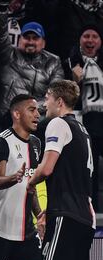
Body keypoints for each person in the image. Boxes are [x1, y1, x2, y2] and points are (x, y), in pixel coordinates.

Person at [27, 80, 96, 260]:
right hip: (85, 217)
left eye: (47, 98)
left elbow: (47, 168)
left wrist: (29, 183)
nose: (44, 104)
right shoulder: (83, 130)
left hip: (66, 213)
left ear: (59, 101)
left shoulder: (58, 123)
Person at [0, 94, 43, 260]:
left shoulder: (36, 144)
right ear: (17, 114)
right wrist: (14, 177)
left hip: (25, 230)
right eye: (32, 110)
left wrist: (40, 214)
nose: (38, 115)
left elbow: (31, 187)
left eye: (38, 110)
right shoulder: (1, 141)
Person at [0, 0, 64, 131]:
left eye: (35, 38)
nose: (30, 41)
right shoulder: (8, 55)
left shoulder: (53, 61)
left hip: (39, 121)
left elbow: (55, 95)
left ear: (43, 43)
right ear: (19, 40)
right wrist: (1, 9)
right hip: (7, 119)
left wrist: (28, 110)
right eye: (26, 37)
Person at [63, 24, 103, 212]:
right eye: (86, 36)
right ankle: (90, 210)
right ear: (79, 40)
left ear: (100, 42)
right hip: (84, 123)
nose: (90, 40)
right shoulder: (71, 62)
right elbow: (64, 96)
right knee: (89, 171)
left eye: (94, 36)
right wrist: (74, 80)